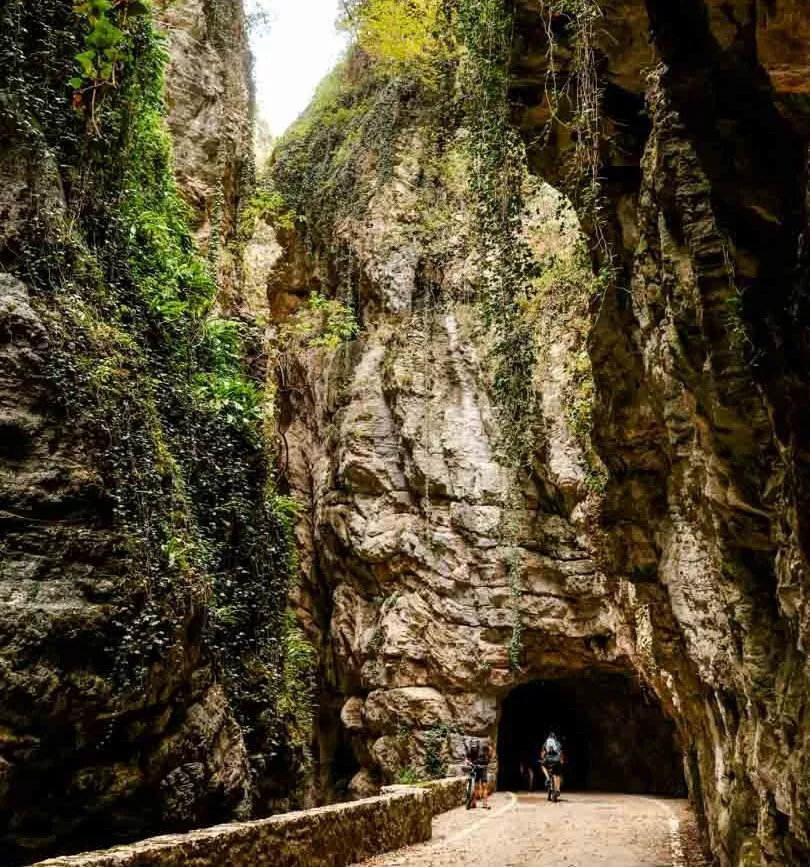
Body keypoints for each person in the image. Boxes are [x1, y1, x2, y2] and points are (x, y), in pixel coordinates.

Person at [464, 736, 493, 809]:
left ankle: (485, 803)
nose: (474, 747)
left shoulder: (483, 747)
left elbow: (491, 750)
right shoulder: (470, 750)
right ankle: (474, 803)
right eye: (472, 745)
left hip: (483, 767)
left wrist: (489, 757)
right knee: (475, 786)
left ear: (478, 744)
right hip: (475, 767)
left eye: (475, 745)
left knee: (484, 785)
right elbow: (467, 758)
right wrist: (468, 762)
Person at [539, 731, 564, 800]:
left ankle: (547, 778)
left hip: (548, 761)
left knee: (542, 765)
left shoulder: (546, 743)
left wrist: (543, 758)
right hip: (557, 761)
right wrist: (561, 760)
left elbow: (542, 755)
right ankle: (558, 790)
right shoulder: (558, 743)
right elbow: (561, 753)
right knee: (557, 774)